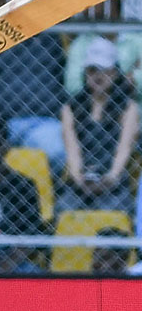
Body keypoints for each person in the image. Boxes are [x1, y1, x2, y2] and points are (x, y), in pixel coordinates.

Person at [59, 37, 139, 215]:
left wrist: (110, 178)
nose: (97, 75)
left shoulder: (128, 108)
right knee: (66, 208)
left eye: (104, 70)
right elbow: (72, 152)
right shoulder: (71, 108)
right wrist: (80, 180)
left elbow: (124, 149)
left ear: (114, 72)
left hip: (113, 183)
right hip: (80, 182)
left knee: (114, 208)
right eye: (92, 70)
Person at [0, 115, 52, 274]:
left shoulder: (23, 186)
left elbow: (30, 238)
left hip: (13, 264)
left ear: (7, 147)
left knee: (33, 274)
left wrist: (5, 267)